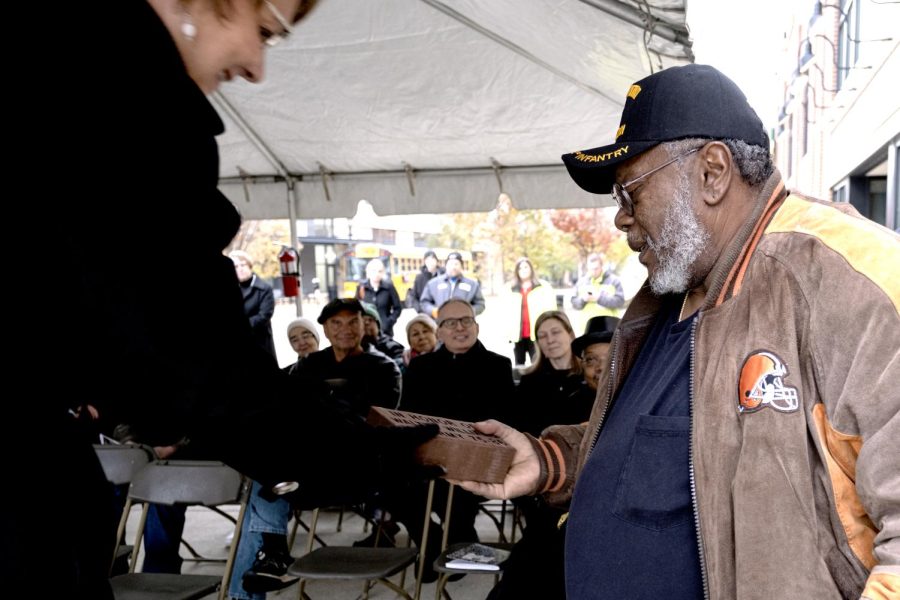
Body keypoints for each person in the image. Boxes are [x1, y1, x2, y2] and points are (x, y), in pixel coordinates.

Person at [23, 3, 438, 598]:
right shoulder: (126, 110)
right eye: (264, 30)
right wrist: (365, 455)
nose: (256, 66)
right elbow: (185, 360)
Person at [454, 64, 899, 599]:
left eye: (630, 193)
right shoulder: (671, 293)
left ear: (712, 172)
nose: (620, 219)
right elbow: (665, 455)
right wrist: (554, 462)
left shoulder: (848, 280)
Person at [490, 312, 614, 600]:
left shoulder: (643, 402)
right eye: (591, 361)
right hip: (558, 513)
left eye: (609, 358)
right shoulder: (574, 400)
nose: (599, 369)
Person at [505, 258, 559, 366]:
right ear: (516, 271)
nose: (523, 270)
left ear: (531, 269)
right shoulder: (510, 288)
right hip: (518, 335)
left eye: (526, 267)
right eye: (520, 268)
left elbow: (552, 310)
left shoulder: (543, 287)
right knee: (519, 366)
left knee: (539, 365)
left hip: (537, 334)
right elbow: (506, 312)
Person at [230, 250, 277, 358]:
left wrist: (240, 327)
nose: (239, 269)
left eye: (242, 265)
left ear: (250, 266)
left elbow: (264, 315)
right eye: (236, 266)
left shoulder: (264, 289)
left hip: (260, 343)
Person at [419, 251, 486, 317]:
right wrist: (433, 311)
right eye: (450, 264)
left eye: (456, 264)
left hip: (463, 324)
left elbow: (480, 304)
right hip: (440, 323)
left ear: (461, 266)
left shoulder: (472, 285)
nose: (453, 267)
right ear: (446, 266)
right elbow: (424, 302)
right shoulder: (433, 284)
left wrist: (468, 311)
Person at [570, 252, 625, 327]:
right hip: (587, 328)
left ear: (602, 266)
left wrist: (599, 298)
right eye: (591, 268)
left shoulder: (614, 281)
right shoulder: (581, 282)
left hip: (608, 327)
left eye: (596, 268)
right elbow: (574, 302)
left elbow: (620, 302)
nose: (593, 271)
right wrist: (583, 299)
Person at [356, 258, 404, 337]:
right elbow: (356, 308)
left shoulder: (389, 287)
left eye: (380, 271)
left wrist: (390, 321)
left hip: (385, 331)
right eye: (374, 271)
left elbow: (397, 308)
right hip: (366, 332)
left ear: (383, 273)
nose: (377, 274)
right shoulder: (361, 288)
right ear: (368, 272)